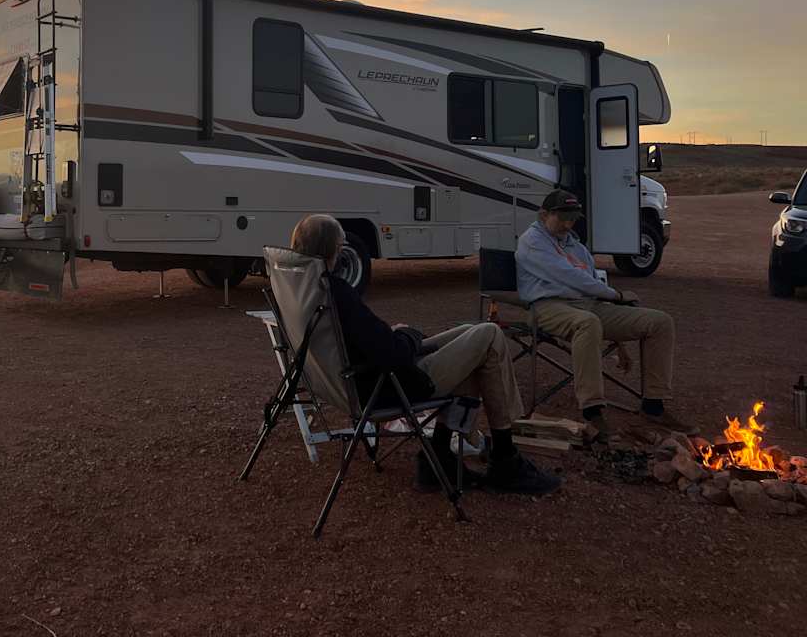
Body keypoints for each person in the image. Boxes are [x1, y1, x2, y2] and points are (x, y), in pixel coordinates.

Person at [290, 214, 561, 496]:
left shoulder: (307, 291)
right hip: (390, 386)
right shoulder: (337, 293)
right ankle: (504, 459)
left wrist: (397, 337)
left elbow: (373, 342)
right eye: (341, 244)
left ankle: (438, 457)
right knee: (490, 336)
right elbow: (393, 353)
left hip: (354, 382)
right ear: (332, 249)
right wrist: (406, 334)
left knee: (472, 331)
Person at [514, 189, 696, 440]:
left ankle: (653, 405)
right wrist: (616, 296)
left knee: (659, 322)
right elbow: (571, 277)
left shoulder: (574, 244)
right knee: (587, 323)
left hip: (590, 304)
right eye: (562, 218)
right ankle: (592, 410)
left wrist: (618, 337)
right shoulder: (532, 241)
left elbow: (592, 280)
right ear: (544, 214)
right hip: (548, 307)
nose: (568, 224)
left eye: (573, 218)